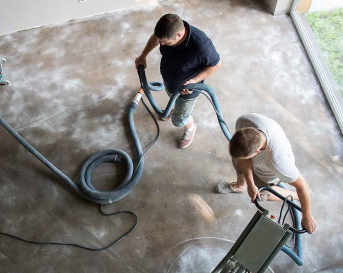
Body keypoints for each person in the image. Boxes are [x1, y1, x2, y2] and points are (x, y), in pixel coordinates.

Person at [216, 113, 317, 233]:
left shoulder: (278, 163)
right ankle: (240, 186)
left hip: (269, 173)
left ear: (258, 151)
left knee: (262, 193)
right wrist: (250, 184)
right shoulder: (244, 121)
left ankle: (294, 196)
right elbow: (244, 159)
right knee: (237, 160)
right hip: (260, 157)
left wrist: (306, 216)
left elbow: (302, 186)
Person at [135, 14, 221, 148]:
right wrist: (143, 55)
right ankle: (174, 109)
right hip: (170, 81)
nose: (161, 44)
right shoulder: (168, 31)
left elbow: (216, 65)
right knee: (172, 98)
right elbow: (157, 38)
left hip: (187, 91)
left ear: (179, 35)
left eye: (165, 42)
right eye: (160, 40)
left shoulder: (202, 46)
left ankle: (190, 128)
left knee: (179, 120)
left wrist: (193, 81)